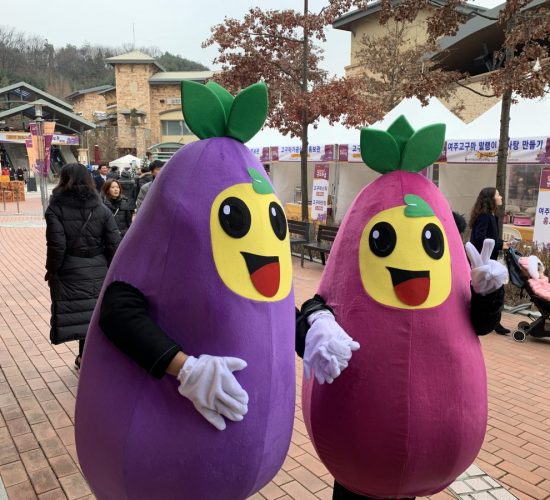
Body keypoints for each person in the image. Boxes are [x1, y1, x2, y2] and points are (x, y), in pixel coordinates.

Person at [45, 163, 121, 369]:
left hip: (70, 267)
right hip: (98, 267)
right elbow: (115, 242)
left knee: (81, 315)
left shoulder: (55, 208)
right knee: (95, 314)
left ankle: (83, 358)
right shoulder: (101, 208)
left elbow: (56, 245)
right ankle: (89, 358)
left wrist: (52, 269)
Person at [469, 187, 510, 335]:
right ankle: (493, 322)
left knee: (493, 291)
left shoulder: (491, 215)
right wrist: (499, 244)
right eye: (498, 195)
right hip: (483, 263)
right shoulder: (485, 216)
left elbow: (488, 235)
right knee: (494, 291)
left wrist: (502, 242)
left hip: (488, 262)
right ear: (491, 199)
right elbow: (480, 238)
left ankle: (494, 321)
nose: (501, 197)